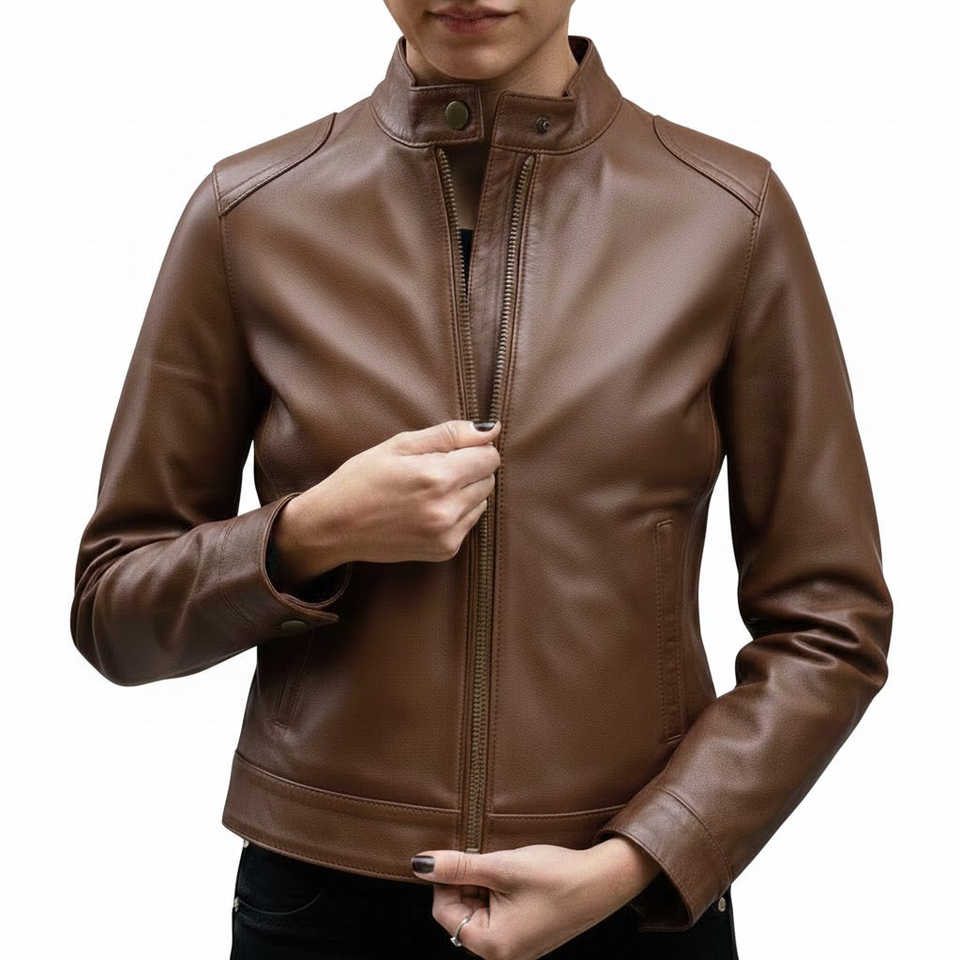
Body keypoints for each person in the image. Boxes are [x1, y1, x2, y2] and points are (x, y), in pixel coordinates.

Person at [70, 1, 894, 958]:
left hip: (630, 898)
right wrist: (310, 533)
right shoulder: (251, 213)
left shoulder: (724, 214)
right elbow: (114, 610)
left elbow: (830, 624)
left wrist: (644, 856)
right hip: (325, 904)